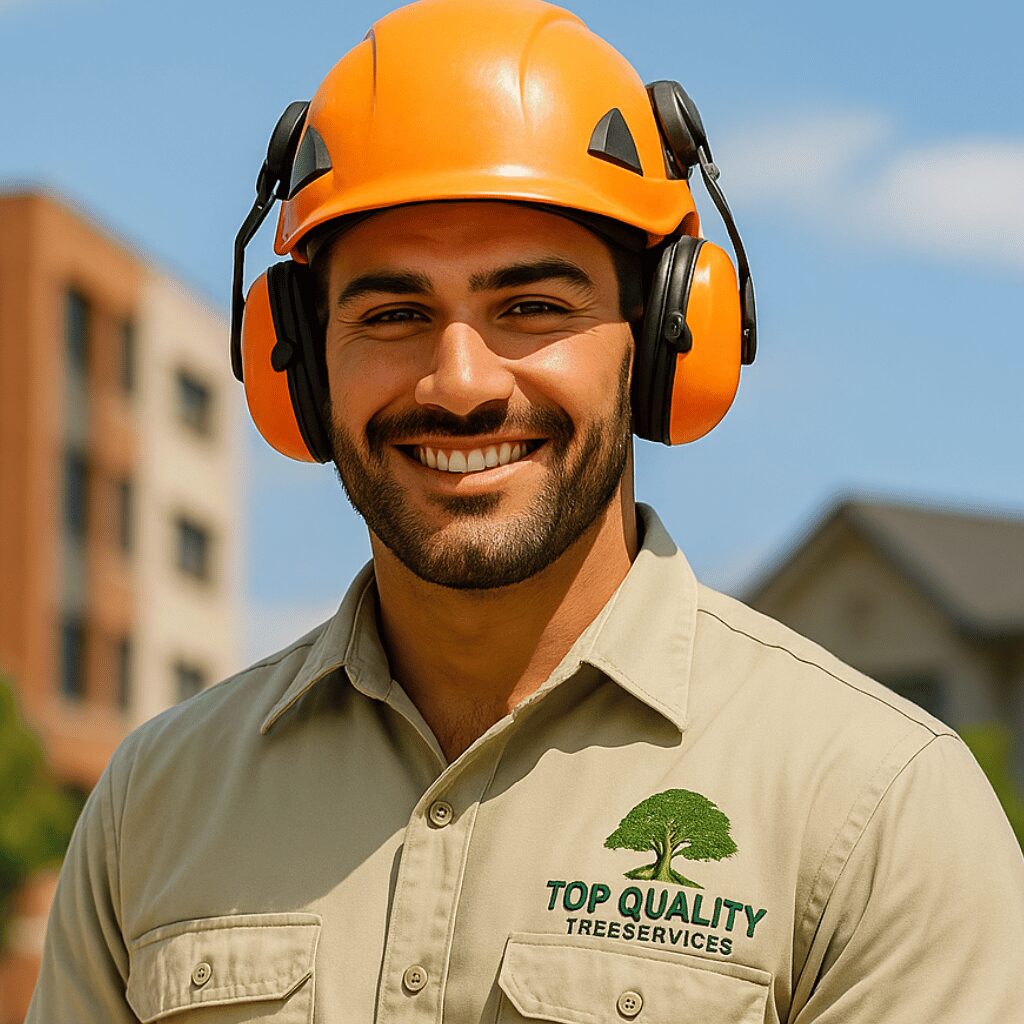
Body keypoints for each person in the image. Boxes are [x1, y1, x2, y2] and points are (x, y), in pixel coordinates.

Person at [27, 0, 1024, 1020]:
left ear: (666, 339)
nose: (460, 383)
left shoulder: (876, 808)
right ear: (298, 365)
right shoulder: (154, 802)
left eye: (531, 307)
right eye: (394, 314)